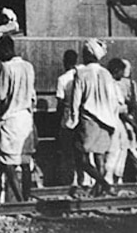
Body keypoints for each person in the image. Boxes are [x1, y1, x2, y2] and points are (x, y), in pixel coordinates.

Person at [0, 34, 35, 202]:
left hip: (12, 119)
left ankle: (20, 201)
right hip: (26, 117)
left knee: (7, 163)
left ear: (4, 50)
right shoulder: (28, 66)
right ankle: (27, 198)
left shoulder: (6, 67)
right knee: (25, 162)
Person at [66, 39, 118, 197]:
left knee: (81, 157)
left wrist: (72, 121)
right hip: (107, 120)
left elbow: (75, 100)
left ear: (87, 54)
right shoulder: (106, 74)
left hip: (89, 118)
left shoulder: (81, 73)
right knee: (99, 156)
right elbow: (113, 100)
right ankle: (99, 193)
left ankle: (104, 184)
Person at [55, 49, 88, 189]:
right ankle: (85, 179)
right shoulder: (83, 72)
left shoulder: (62, 79)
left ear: (65, 61)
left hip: (68, 119)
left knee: (69, 151)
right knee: (83, 150)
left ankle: (73, 179)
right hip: (84, 117)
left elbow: (60, 104)